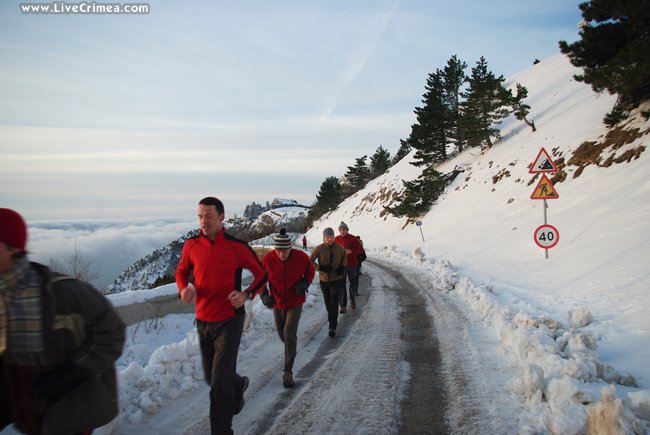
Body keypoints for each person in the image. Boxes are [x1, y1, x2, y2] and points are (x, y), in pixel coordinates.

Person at [0, 208, 126, 435]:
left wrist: (71, 374)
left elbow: (113, 332)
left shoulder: (63, 293)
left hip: (67, 414)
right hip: (21, 415)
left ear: (12, 247)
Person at [176, 197, 268, 435]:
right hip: (204, 321)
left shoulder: (236, 247)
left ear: (221, 217)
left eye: (208, 216)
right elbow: (182, 271)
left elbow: (261, 275)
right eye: (200, 216)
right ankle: (237, 384)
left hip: (230, 320)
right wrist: (183, 288)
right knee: (212, 377)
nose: (203, 221)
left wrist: (246, 294)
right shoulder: (191, 245)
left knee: (218, 385)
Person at [260, 229, 315, 388]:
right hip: (277, 303)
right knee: (283, 336)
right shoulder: (268, 260)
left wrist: (304, 284)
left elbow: (310, 272)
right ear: (275, 249)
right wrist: (264, 295)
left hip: (295, 301)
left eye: (285, 251)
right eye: (279, 251)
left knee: (289, 334)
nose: (282, 254)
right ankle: (291, 347)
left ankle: (288, 372)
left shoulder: (301, 257)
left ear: (290, 248)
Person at [309, 228, 346, 337]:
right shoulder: (318, 249)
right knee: (327, 303)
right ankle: (332, 320)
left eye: (331, 237)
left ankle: (332, 327)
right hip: (324, 280)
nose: (330, 239)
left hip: (336, 279)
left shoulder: (340, 248)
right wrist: (320, 267)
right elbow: (310, 261)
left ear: (334, 237)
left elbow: (344, 257)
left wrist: (342, 267)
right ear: (324, 238)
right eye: (327, 237)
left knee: (334, 302)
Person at [334, 222, 364, 312]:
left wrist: (351, 251)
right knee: (341, 285)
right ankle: (343, 306)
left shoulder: (353, 239)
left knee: (352, 283)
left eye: (344, 229)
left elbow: (360, 250)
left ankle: (353, 300)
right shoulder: (336, 239)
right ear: (339, 231)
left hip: (352, 265)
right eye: (340, 230)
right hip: (341, 266)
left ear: (347, 230)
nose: (342, 231)